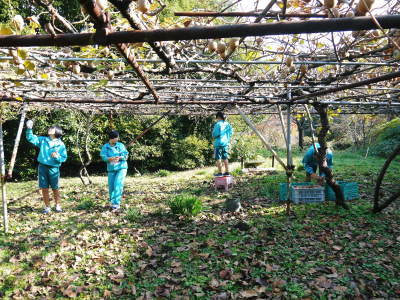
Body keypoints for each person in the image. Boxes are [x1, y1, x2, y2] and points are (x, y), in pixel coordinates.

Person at [26, 120, 67, 213]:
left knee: (55, 188)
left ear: (57, 132)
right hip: (42, 167)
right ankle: (47, 207)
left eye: (52, 128)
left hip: (54, 169)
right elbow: (31, 138)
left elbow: (64, 158)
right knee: (44, 188)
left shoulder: (61, 144)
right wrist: (29, 129)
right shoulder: (43, 140)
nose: (49, 129)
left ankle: (58, 206)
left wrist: (57, 157)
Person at [100, 130, 129, 211]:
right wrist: (110, 158)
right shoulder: (105, 147)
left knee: (118, 184)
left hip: (121, 168)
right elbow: (103, 156)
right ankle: (113, 203)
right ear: (111, 138)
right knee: (111, 186)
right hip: (111, 169)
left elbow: (125, 155)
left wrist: (120, 157)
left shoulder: (120, 145)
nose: (118, 139)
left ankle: (116, 203)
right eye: (116, 137)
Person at [212, 111, 233, 176]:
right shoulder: (228, 124)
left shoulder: (218, 124)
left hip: (218, 143)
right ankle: (227, 172)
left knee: (218, 158)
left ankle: (220, 172)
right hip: (225, 143)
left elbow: (214, 134)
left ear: (218, 117)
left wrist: (213, 135)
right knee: (225, 157)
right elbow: (231, 133)